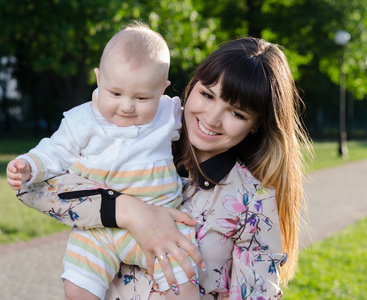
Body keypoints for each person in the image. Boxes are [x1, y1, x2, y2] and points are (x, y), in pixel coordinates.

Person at [14, 36, 312, 299]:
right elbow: (32, 187)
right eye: (207, 95)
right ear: (193, 84)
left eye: (236, 112)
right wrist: (129, 212)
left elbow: (256, 295)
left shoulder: (255, 203)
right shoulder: (139, 137)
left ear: (257, 123)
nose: (212, 118)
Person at [6, 22, 202, 300]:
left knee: (183, 284)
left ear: (162, 90)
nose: (127, 106)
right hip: (97, 230)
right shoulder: (81, 120)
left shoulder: (168, 114)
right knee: (77, 289)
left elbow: (201, 124)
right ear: (99, 79)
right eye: (116, 93)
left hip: (159, 222)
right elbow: (55, 151)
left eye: (142, 97)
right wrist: (29, 165)